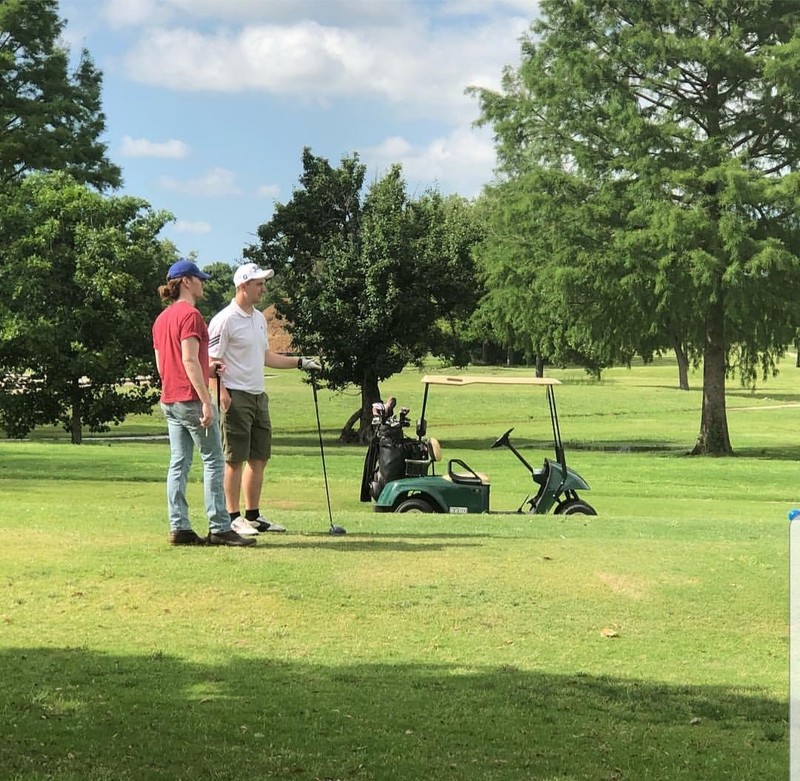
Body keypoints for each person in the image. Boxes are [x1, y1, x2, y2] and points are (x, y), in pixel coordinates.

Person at [208, 262, 321, 536]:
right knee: (235, 458)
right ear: (243, 286)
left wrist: (301, 362)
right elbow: (211, 362)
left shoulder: (258, 318)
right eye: (258, 283)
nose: (263, 288)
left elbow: (265, 357)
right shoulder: (224, 320)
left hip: (259, 396)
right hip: (235, 395)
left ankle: (253, 515)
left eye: (263, 283)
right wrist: (220, 393)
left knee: (259, 458)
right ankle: (233, 517)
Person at [152, 258, 256, 547]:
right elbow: (187, 358)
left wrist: (205, 368)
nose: (203, 282)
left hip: (170, 399)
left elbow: (164, 365)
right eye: (199, 278)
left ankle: (180, 527)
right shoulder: (192, 316)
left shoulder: (161, 320)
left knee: (179, 463)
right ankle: (220, 527)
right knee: (213, 461)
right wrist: (205, 401)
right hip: (190, 399)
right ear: (186, 282)